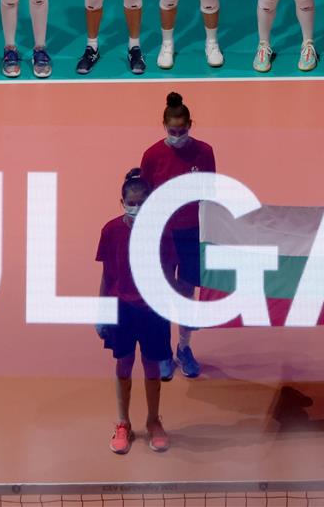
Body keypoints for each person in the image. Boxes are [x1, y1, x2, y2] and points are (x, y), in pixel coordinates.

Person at [95, 169, 173, 454]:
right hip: (122, 310)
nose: (136, 207)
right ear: (122, 202)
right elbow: (107, 274)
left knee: (152, 366)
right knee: (124, 364)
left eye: (142, 202)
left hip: (152, 311)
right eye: (131, 202)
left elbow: (169, 274)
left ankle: (153, 421)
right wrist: (101, 311)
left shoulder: (162, 232)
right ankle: (123, 423)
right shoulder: (111, 231)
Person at [140, 92, 215, 380]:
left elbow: (210, 193)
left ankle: (184, 348)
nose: (177, 136)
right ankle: (162, 353)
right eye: (172, 131)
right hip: (163, 235)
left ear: (190, 125)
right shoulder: (152, 156)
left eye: (182, 131)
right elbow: (144, 198)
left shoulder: (204, 152)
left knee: (186, 293)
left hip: (192, 234)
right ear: (164, 126)